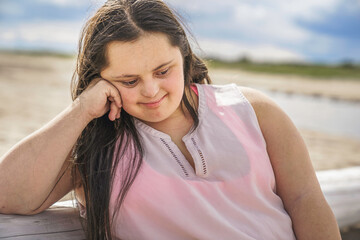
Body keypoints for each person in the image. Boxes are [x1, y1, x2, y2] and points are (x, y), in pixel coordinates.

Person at [0, 0, 341, 239]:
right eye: (128, 81)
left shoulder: (254, 110)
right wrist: (81, 110)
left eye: (163, 71)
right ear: (99, 80)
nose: (151, 91)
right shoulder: (94, 146)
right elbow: (8, 194)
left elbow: (304, 200)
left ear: (185, 56)